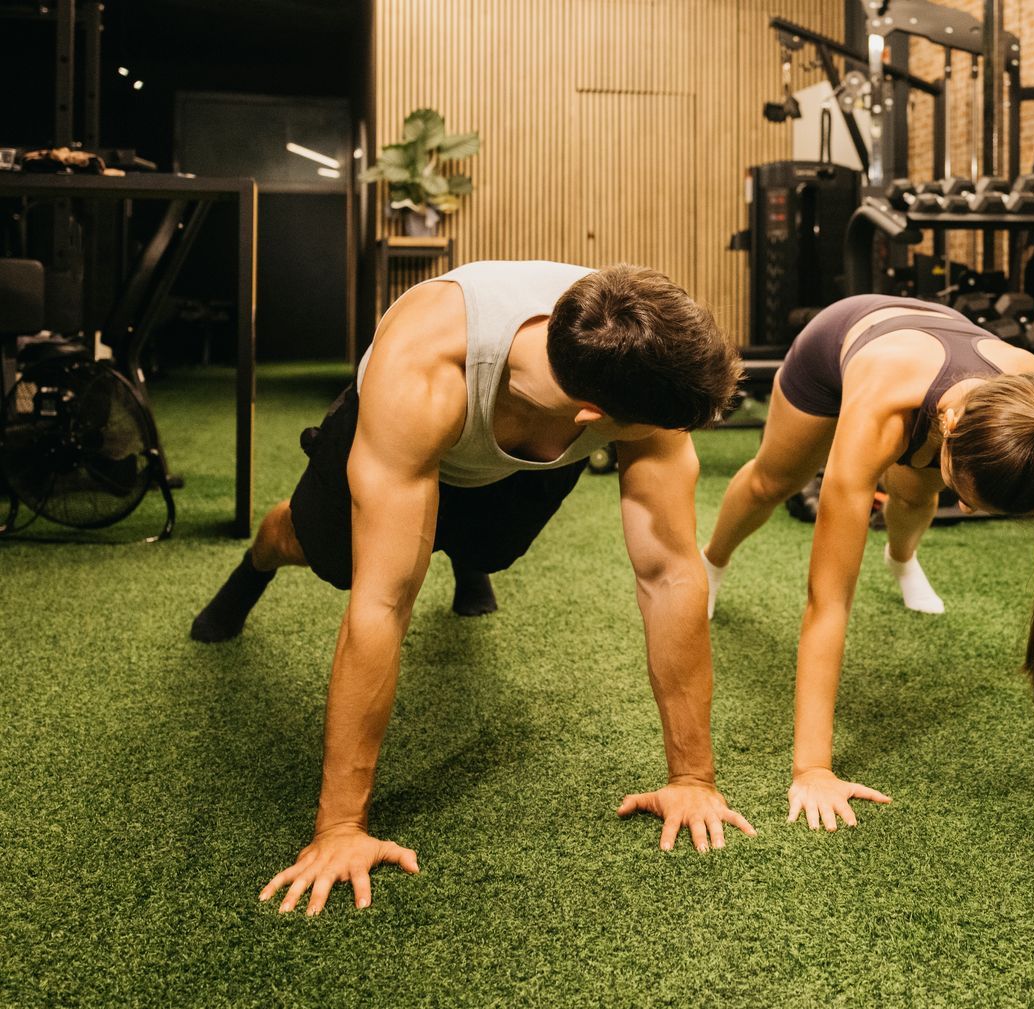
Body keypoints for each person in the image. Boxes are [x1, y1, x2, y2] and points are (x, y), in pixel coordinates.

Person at [191, 261, 755, 915]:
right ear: (594, 413)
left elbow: (670, 572)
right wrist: (340, 826)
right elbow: (382, 603)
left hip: (523, 447)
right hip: (414, 435)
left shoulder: (642, 357)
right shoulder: (425, 369)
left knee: (492, 547)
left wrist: (692, 777)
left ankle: (465, 551)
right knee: (337, 558)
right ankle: (261, 555)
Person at [701, 294, 1034, 830]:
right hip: (839, 343)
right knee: (773, 479)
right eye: (968, 494)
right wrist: (812, 769)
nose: (966, 508)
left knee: (916, 496)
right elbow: (827, 601)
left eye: (975, 507)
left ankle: (901, 560)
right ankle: (711, 563)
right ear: (948, 428)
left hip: (946, 370)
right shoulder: (880, 411)